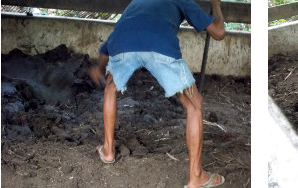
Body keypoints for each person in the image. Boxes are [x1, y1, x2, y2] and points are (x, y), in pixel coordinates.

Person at [89, 0, 226, 187]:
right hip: (160, 45)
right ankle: (196, 176)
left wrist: (99, 67)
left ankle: (108, 150)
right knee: (194, 105)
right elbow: (218, 32)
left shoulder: (136, 3)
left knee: (110, 88)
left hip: (122, 45)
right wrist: (216, 5)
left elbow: (115, 37)